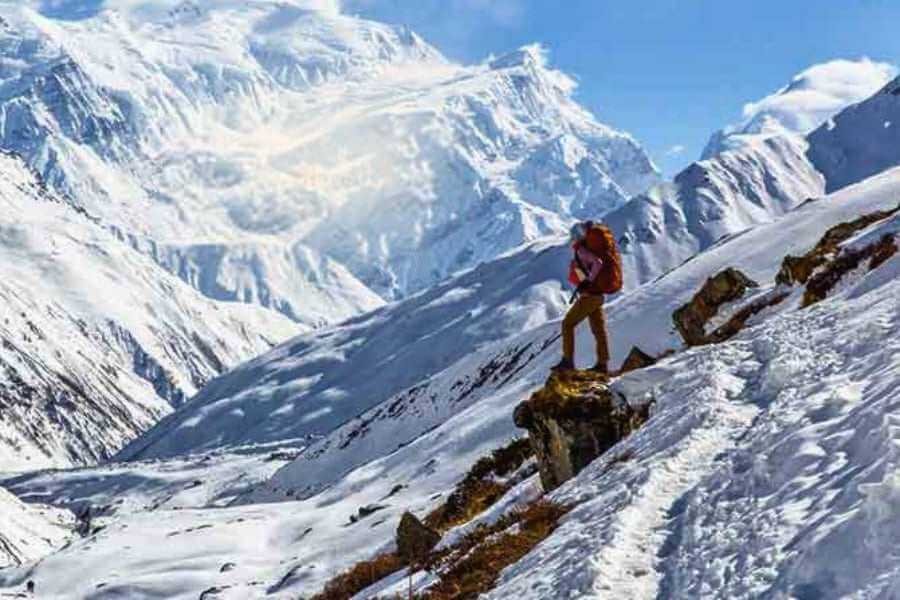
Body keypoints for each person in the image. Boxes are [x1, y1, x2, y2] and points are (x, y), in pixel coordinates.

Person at [552, 221, 622, 374]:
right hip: (597, 295)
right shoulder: (593, 247)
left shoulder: (582, 250)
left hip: (590, 296)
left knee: (567, 324)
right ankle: (602, 364)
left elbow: (597, 263)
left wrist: (588, 281)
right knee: (598, 329)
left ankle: (568, 361)